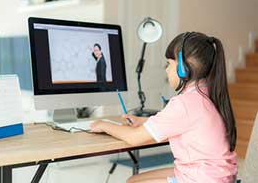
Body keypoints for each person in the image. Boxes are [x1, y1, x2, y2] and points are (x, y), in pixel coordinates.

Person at [91, 32, 237, 183]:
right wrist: (142, 121)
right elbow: (181, 122)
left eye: (169, 64)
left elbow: (134, 138)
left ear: (183, 68)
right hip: (216, 175)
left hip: (202, 178)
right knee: (133, 180)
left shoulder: (184, 103)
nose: (166, 69)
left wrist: (104, 124)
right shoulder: (205, 93)